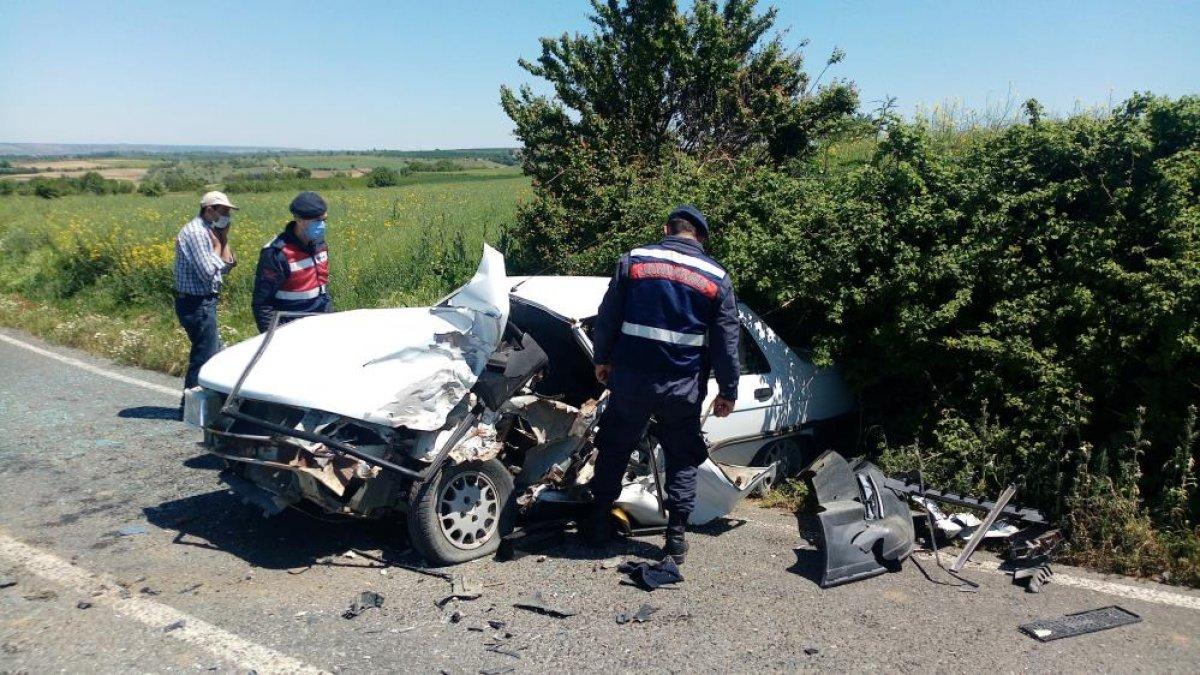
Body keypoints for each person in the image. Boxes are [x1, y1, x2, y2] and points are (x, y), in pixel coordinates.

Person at [586, 204, 740, 564]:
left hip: (632, 380)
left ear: (666, 229)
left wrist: (601, 358)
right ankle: (675, 537)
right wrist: (728, 391)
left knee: (614, 447)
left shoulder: (634, 261)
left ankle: (598, 525)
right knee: (682, 456)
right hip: (682, 387)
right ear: (700, 237)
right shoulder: (716, 277)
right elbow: (726, 342)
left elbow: (608, 316)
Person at [173, 190, 237, 405]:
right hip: (196, 303)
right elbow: (208, 271)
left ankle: (205, 404)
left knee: (212, 352)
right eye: (224, 211)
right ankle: (190, 406)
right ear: (209, 209)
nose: (227, 216)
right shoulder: (197, 233)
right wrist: (218, 247)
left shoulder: (209, 231)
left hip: (204, 301)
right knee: (204, 356)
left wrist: (223, 239)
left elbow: (225, 267)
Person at [251, 191, 333, 332]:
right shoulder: (276, 253)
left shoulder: (320, 245)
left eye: (324, 220)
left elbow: (322, 289)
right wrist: (274, 338)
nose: (322, 225)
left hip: (322, 321)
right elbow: (262, 305)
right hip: (291, 328)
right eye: (316, 221)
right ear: (299, 219)